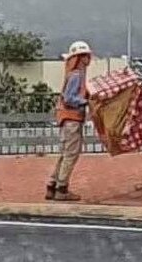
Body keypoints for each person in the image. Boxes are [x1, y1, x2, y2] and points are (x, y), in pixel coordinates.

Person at [45, 41, 92, 201]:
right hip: (72, 119)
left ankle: (52, 185)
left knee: (64, 154)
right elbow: (70, 98)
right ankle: (62, 189)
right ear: (79, 58)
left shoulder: (72, 74)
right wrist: (85, 102)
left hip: (66, 119)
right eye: (86, 56)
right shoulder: (77, 75)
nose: (88, 59)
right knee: (71, 154)